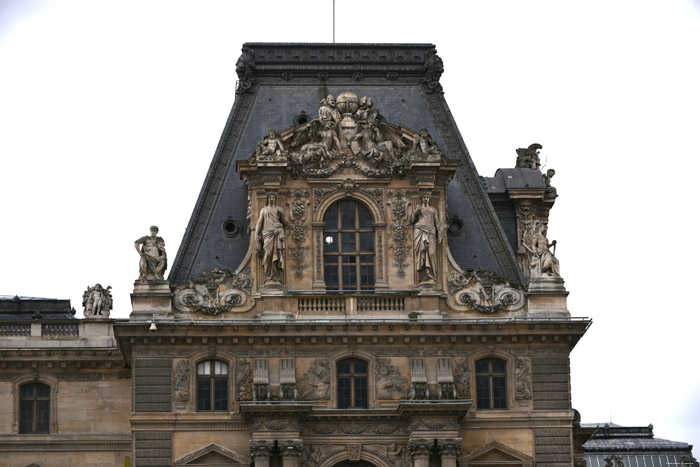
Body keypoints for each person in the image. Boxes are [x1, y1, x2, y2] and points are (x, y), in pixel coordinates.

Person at [255, 193, 287, 283]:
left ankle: (275, 275)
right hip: (267, 234)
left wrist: (280, 224)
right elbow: (259, 222)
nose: (272, 199)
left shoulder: (279, 209)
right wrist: (257, 234)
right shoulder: (264, 210)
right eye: (270, 197)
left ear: (275, 199)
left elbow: (286, 222)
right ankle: (267, 275)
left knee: (277, 253)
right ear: (267, 199)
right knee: (268, 254)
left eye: (273, 197)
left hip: (277, 233)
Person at [411, 193, 442, 282]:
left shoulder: (433, 209)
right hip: (420, 231)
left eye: (428, 197)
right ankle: (424, 275)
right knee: (421, 253)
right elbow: (411, 221)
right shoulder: (418, 208)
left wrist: (439, 233)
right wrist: (416, 212)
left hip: (431, 232)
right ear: (422, 198)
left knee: (432, 253)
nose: (426, 199)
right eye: (424, 197)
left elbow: (437, 223)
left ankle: (432, 275)